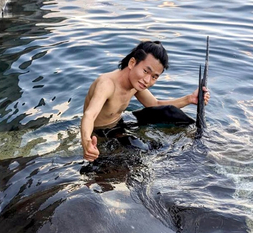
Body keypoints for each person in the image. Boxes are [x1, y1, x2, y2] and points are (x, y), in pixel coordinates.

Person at [80, 40, 210, 161]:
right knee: (138, 148)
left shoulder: (136, 83)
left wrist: (190, 99)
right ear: (132, 63)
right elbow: (89, 115)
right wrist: (86, 141)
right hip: (100, 134)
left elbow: (154, 104)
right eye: (145, 71)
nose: (147, 80)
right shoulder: (107, 84)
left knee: (170, 114)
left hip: (119, 125)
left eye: (154, 77)